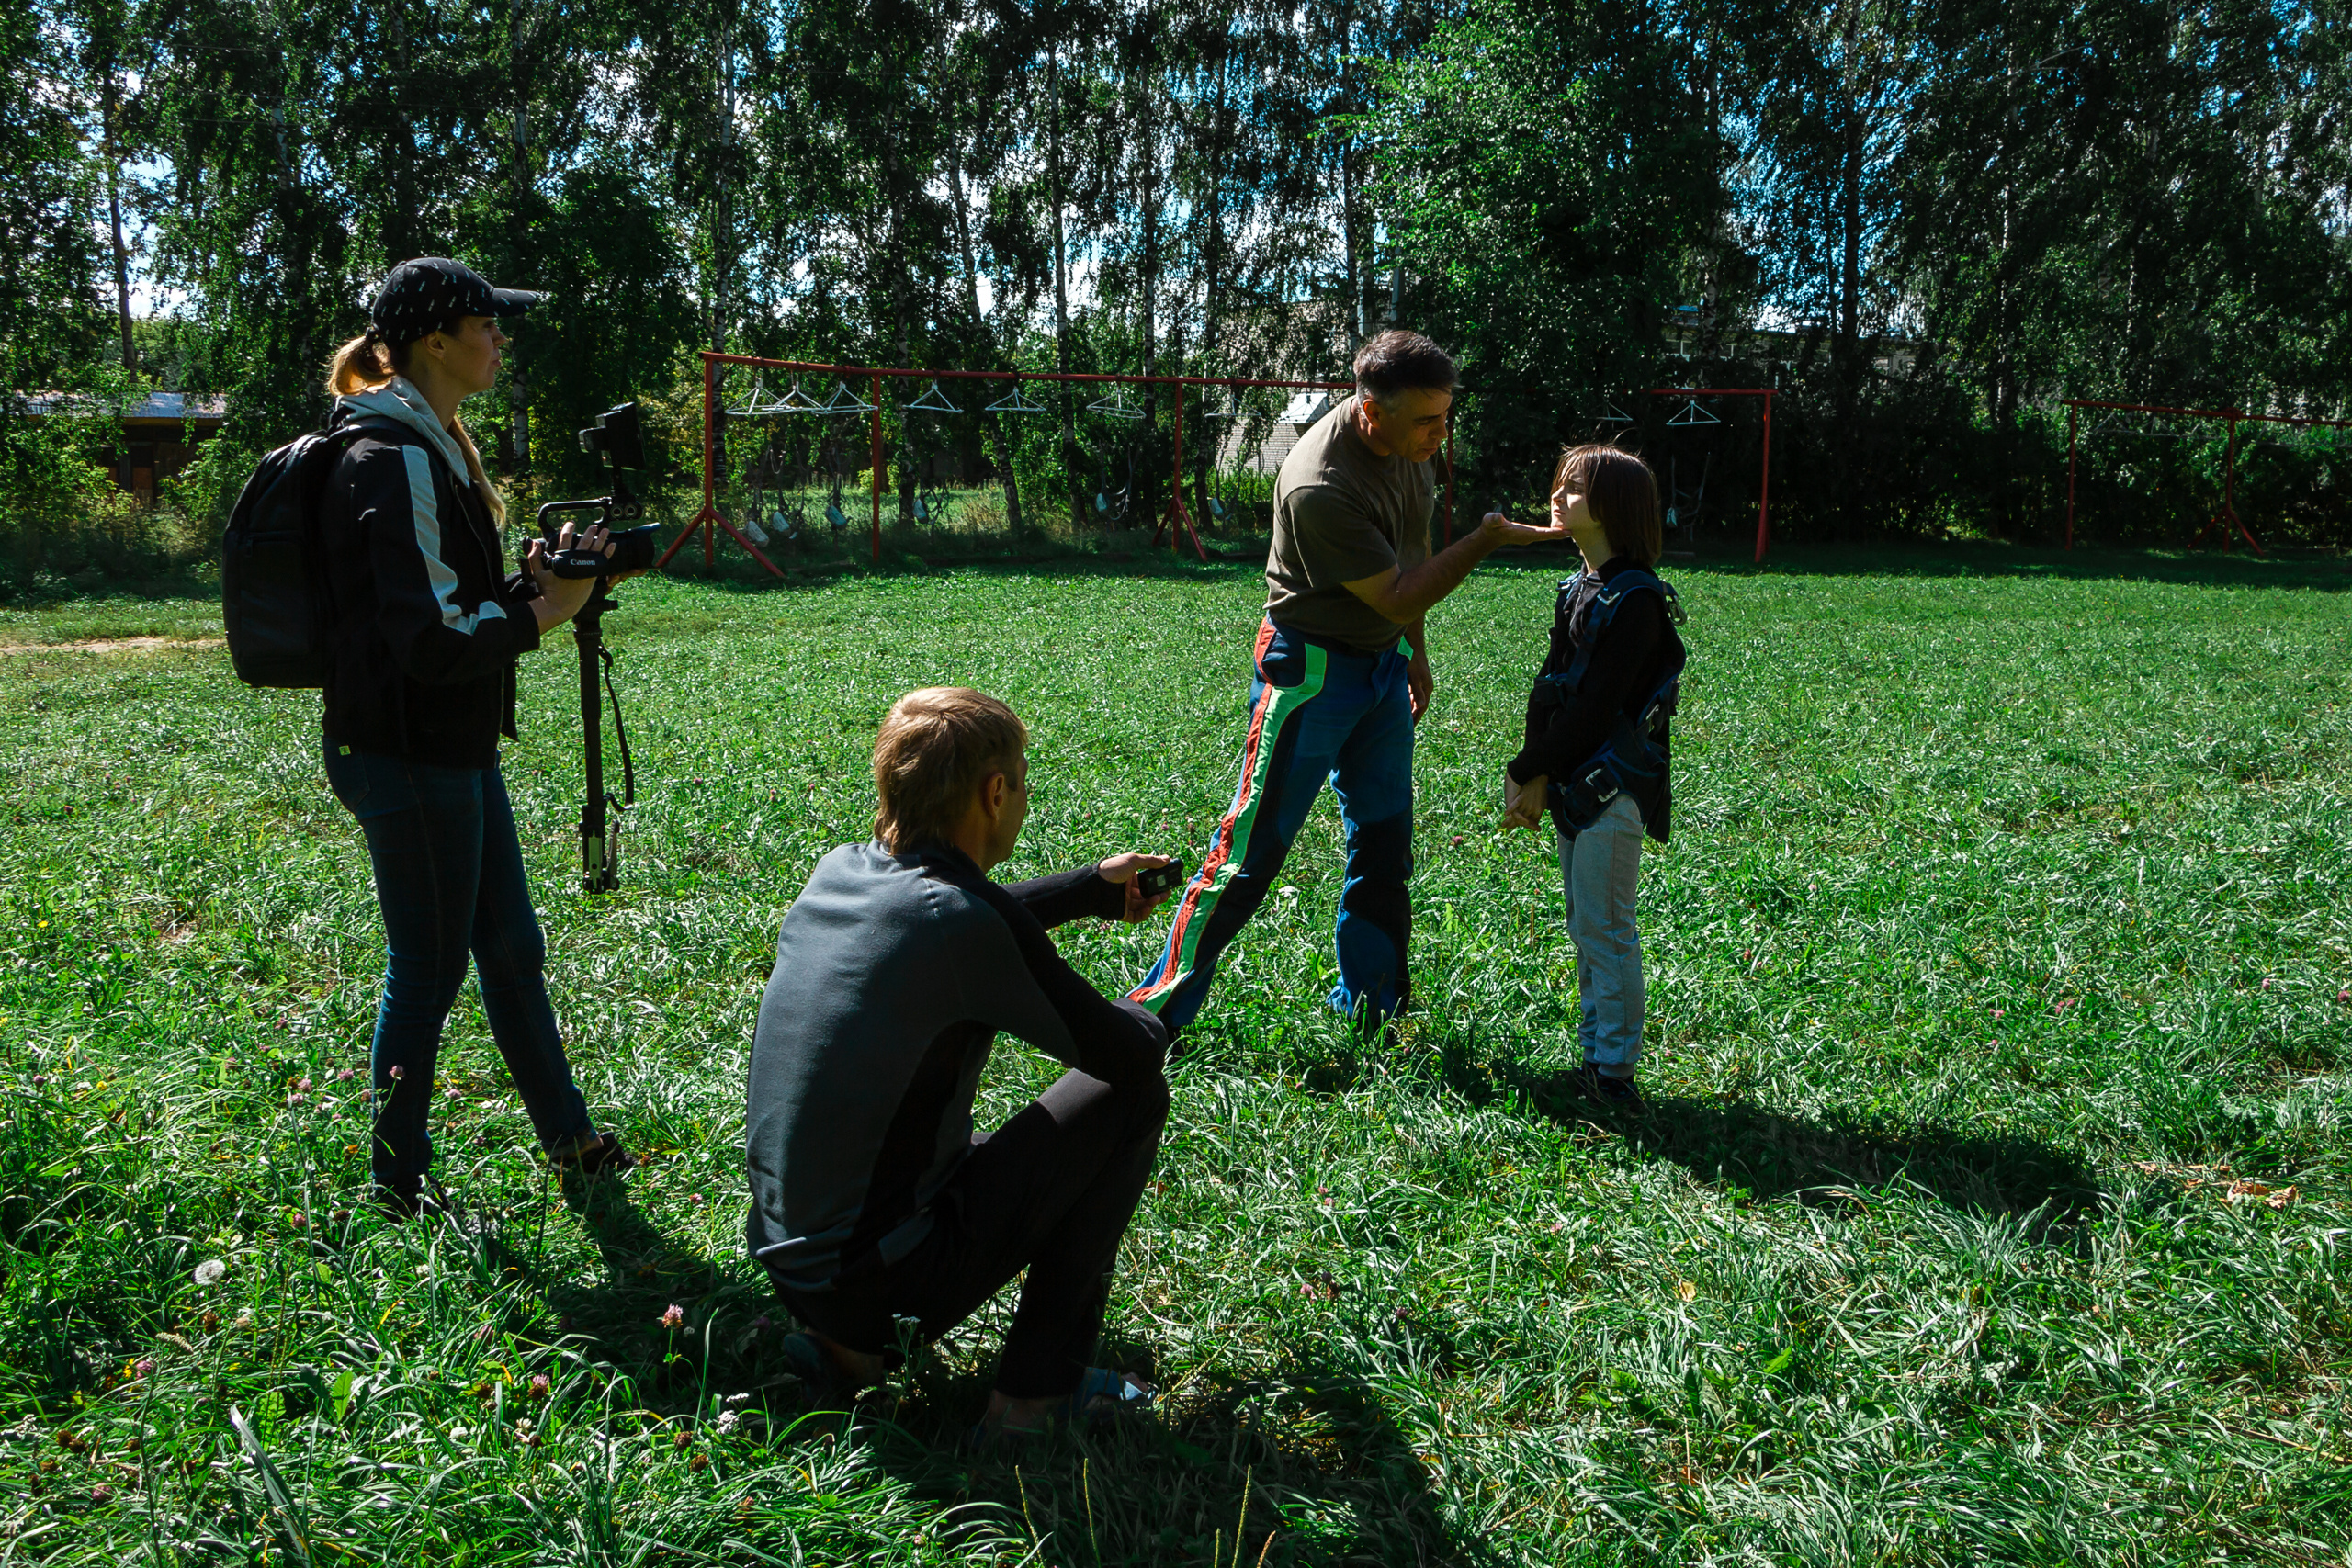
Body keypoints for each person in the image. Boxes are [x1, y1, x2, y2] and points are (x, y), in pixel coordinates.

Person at [745, 688, 1177, 1438]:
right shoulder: (957, 925)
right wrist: (1156, 1004)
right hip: (878, 1282)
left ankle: (842, 1354)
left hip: (799, 1266)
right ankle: (1036, 1397)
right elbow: (1122, 1054)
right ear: (995, 790)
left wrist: (1083, 890)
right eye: (1024, 779)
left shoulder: (840, 871)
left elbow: (956, 911)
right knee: (1128, 1098)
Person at [1129, 330, 1570, 1034]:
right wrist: (1486, 540)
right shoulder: (1319, 485)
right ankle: (1147, 1020)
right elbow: (1397, 592)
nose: (1440, 433)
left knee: (1385, 842)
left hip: (1381, 670)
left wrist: (1413, 654)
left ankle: (1373, 1008)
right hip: (1312, 674)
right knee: (1247, 859)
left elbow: (1413, 556)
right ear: (1371, 413)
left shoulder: (1413, 448)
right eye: (1427, 420)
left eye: (1446, 415)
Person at [318, 255, 633, 1216]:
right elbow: (432, 641)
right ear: (433, 339)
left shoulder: (431, 444)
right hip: (406, 754)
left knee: (511, 948)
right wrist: (548, 609)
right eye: (487, 323)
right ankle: (395, 1189)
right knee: (427, 968)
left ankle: (572, 1143)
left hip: (444, 748)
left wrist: (535, 586)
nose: (500, 337)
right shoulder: (392, 455)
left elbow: (444, 608)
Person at [1501, 446, 1688, 1110]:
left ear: (1613, 507)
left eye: (1573, 488)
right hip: (1570, 783)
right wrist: (1530, 773)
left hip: (1612, 790)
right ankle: (1594, 1055)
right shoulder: (1578, 587)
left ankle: (1615, 1075)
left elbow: (1597, 704)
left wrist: (1531, 768)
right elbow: (1550, 689)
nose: (1557, 495)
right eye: (1558, 482)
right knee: (1585, 924)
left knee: (1606, 927)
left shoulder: (1636, 599)